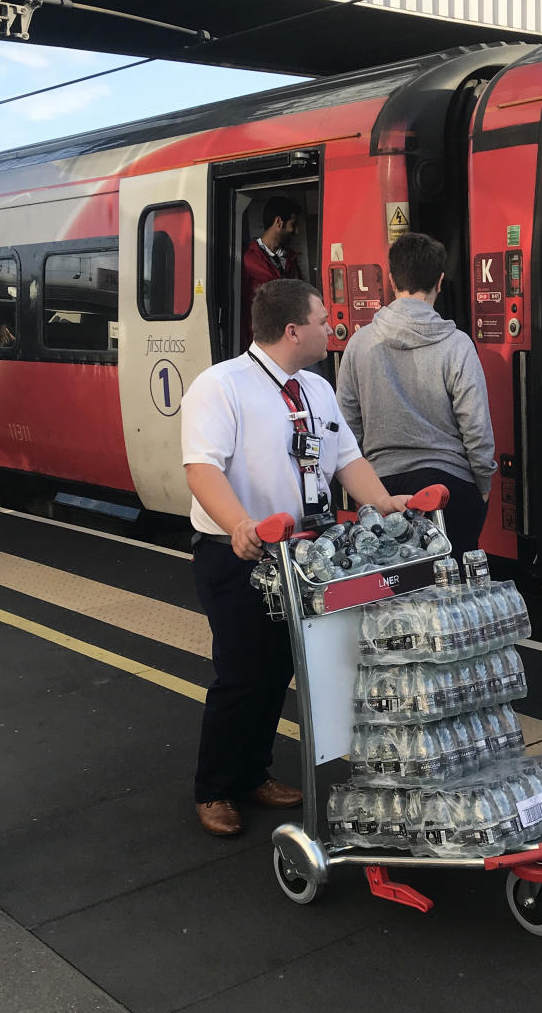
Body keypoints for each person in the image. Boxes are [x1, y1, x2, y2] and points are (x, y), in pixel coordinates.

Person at [181, 278, 410, 836]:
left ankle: (253, 773)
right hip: (240, 555)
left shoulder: (316, 389)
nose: (331, 328)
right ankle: (214, 788)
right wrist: (240, 524)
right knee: (241, 674)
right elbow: (202, 467)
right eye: (322, 319)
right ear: (292, 330)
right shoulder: (221, 386)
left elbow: (345, 458)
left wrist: (385, 504)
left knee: (282, 669)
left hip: (307, 557)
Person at [336, 232, 497, 557]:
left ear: (391, 279)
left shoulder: (359, 343)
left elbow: (346, 428)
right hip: (448, 486)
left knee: (396, 597)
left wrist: (364, 491)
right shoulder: (457, 344)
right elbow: (476, 428)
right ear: (440, 280)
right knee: (456, 594)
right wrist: (482, 487)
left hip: (382, 486)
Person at [240, 196, 303, 350]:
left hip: (290, 339)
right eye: (293, 225)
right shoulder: (248, 259)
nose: (296, 232)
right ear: (278, 223)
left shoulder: (290, 259)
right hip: (262, 342)